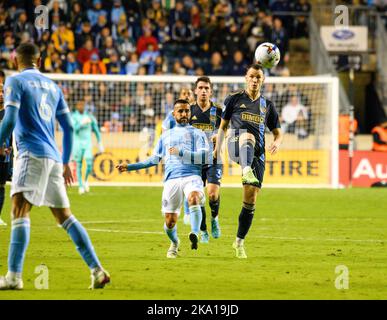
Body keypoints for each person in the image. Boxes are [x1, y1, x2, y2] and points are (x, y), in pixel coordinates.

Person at [0, 43, 110, 290]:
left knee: (19, 210)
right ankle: (97, 270)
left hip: (30, 154)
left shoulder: (14, 82)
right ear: (39, 60)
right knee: (64, 216)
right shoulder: (53, 86)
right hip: (53, 157)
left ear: (15, 59)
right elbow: (68, 127)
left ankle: (13, 277)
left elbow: (9, 120)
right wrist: (65, 162)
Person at [116, 99, 209, 258]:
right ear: (174, 114)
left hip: (191, 175)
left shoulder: (198, 133)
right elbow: (153, 160)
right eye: (180, 111)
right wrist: (130, 166)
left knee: (194, 198)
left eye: (187, 111)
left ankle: (194, 233)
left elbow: (204, 155)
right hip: (171, 179)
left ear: (190, 113)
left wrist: (181, 153)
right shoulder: (165, 136)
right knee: (170, 221)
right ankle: (174, 242)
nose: (184, 114)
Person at [214, 64, 283, 258]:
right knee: (248, 138)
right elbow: (223, 127)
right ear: (246, 77)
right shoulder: (234, 99)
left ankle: (239, 242)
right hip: (236, 143)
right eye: (252, 76)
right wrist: (217, 149)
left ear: (263, 81)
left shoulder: (267, 106)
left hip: (258, 155)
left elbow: (278, 133)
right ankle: (245, 169)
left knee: (250, 199)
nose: (254, 80)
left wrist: (277, 142)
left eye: (258, 77)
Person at [186, 76, 223, 244]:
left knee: (213, 194)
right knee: (198, 197)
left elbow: (227, 129)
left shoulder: (219, 111)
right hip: (194, 162)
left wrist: (220, 136)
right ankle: (203, 230)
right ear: (195, 90)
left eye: (206, 88)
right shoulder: (188, 110)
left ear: (211, 91)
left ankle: (214, 219)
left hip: (213, 158)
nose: (203, 91)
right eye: (200, 88)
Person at [72, 100, 104, 195]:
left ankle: (85, 180)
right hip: (77, 143)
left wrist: (100, 142)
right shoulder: (73, 116)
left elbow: (96, 130)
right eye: (79, 104)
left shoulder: (90, 117)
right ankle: (81, 185)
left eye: (83, 104)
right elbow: (74, 129)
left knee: (89, 163)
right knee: (79, 165)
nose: (81, 106)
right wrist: (81, 123)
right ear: (77, 106)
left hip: (87, 144)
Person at [0, 69, 12, 226]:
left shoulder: (9, 113)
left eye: (2, 91)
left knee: (1, 185)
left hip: (5, 156)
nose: (1, 94)